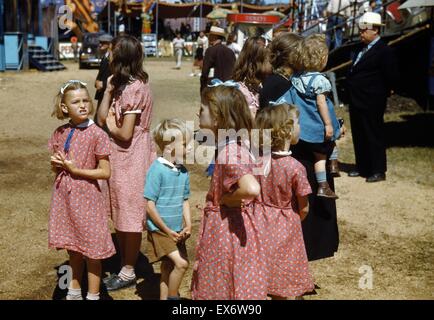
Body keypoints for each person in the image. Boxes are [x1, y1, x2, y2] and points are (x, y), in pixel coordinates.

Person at [260, 33, 339, 263]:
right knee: (305, 209)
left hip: (304, 152)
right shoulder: (282, 84)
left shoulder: (292, 81)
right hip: (300, 156)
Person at [191, 83, 267, 300]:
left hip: (226, 232)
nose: (198, 112)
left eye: (203, 108)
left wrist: (226, 199)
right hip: (238, 228)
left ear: (217, 117)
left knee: (222, 283)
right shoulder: (238, 144)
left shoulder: (229, 152)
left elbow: (251, 188)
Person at [97, 35, 156, 291]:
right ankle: (125, 262)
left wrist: (111, 124)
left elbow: (124, 133)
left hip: (132, 156)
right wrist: (108, 93)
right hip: (120, 156)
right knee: (121, 209)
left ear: (121, 57)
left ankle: (129, 270)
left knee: (130, 211)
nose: (108, 56)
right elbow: (100, 119)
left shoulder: (135, 89)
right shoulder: (120, 85)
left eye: (113, 52)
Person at [48, 80, 115, 300]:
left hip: (87, 198)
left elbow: (105, 172)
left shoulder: (98, 134)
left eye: (86, 100)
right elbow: (54, 169)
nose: (83, 105)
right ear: (65, 107)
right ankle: (74, 292)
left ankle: (93, 295)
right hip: (65, 198)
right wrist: (57, 164)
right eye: (76, 102)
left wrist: (77, 170)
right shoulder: (60, 132)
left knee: (93, 252)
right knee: (74, 249)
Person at [255, 103, 315, 300]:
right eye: (297, 122)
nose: (300, 126)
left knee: (263, 270)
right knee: (285, 273)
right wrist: (296, 219)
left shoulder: (258, 161)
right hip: (286, 224)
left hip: (259, 222)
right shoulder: (295, 167)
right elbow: (304, 206)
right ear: (287, 130)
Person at [283, 34, 341, 199]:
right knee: (324, 151)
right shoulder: (320, 81)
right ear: (322, 59)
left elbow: (288, 99)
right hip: (318, 125)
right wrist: (328, 124)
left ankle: (333, 165)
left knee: (319, 152)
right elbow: (322, 104)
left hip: (305, 126)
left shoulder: (296, 79)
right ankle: (324, 183)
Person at [346, 12, 398, 182]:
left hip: (372, 99)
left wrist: (386, 91)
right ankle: (362, 166)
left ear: (375, 30)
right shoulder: (360, 49)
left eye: (364, 30)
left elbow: (390, 75)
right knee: (359, 134)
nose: (361, 33)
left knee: (373, 134)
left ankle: (378, 169)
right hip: (357, 99)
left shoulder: (384, 51)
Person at [144, 119, 193, 300]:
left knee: (168, 268)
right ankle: (174, 298)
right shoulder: (157, 170)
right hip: (160, 230)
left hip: (177, 230)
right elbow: (149, 205)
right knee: (181, 264)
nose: (189, 149)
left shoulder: (183, 171)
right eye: (185, 144)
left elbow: (184, 200)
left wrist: (188, 225)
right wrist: (167, 230)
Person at [232, 36, 272, 119]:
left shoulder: (262, 84)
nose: (273, 62)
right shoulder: (241, 91)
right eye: (270, 58)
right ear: (259, 61)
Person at [200, 26, 236, 93]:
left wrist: (203, 88)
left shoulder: (210, 51)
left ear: (214, 37)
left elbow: (205, 72)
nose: (208, 37)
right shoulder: (230, 51)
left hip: (214, 88)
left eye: (209, 36)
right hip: (229, 89)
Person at [94, 34, 113, 125]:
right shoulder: (105, 56)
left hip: (109, 93)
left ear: (110, 44)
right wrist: (97, 81)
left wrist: (103, 84)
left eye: (103, 43)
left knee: (103, 121)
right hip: (102, 92)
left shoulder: (113, 58)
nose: (100, 44)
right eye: (100, 42)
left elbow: (117, 77)